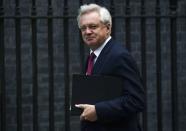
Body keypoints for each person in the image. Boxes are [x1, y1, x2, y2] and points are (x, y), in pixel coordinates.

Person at [75, 3, 145, 131]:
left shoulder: (119, 56)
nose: (87, 32)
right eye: (83, 28)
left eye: (93, 26)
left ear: (108, 28)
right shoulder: (92, 56)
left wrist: (98, 111)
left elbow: (136, 100)